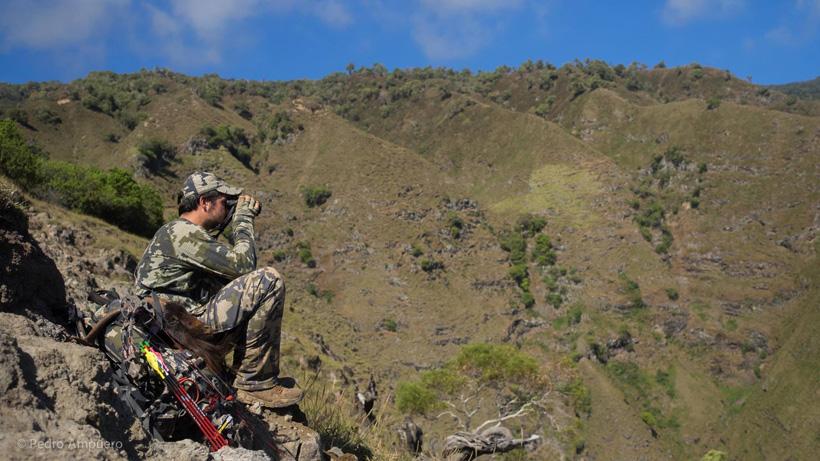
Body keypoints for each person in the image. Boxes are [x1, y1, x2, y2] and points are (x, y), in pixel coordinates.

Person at [134, 171, 302, 408]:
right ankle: (254, 384)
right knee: (268, 280)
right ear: (205, 202)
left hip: (174, 326)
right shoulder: (182, 234)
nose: (228, 208)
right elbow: (243, 265)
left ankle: (237, 375)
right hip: (180, 329)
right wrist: (243, 220)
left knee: (230, 287)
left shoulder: (177, 233)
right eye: (224, 202)